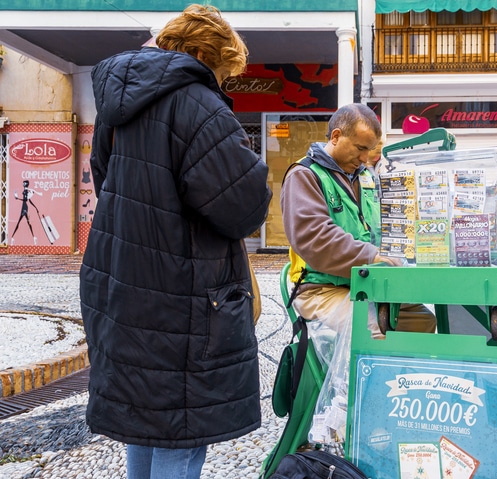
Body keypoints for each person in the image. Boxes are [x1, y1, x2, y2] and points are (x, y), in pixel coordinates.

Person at [79, 5, 272, 479]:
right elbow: (243, 207)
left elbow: (105, 180)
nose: (222, 84)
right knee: (184, 426)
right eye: (223, 72)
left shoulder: (117, 105)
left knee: (146, 418)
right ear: (203, 53)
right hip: (183, 292)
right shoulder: (199, 106)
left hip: (121, 280)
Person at [280, 103, 436, 341]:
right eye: (361, 148)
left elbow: (387, 224)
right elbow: (314, 238)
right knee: (373, 331)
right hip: (321, 289)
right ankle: (358, 379)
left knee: (423, 320)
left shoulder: (365, 177)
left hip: (367, 284)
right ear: (336, 136)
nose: (365, 158)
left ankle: (404, 378)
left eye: (370, 150)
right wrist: (370, 256)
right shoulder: (305, 175)